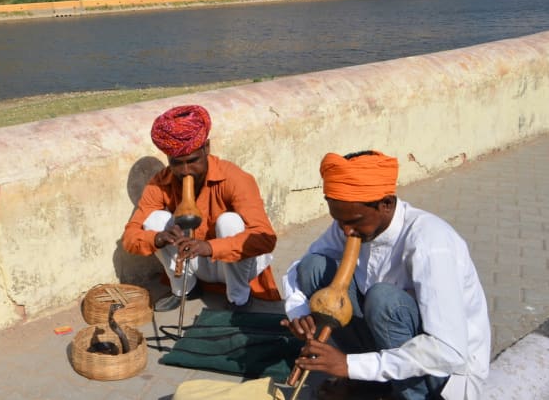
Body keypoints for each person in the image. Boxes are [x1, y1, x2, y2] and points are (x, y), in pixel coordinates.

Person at [281, 150, 490, 400]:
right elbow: (302, 266)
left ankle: (408, 395)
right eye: (338, 221)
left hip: (443, 374)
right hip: (386, 343)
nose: (346, 231)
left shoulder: (430, 242)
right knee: (313, 267)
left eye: (354, 221)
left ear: (386, 204)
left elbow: (448, 350)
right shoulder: (352, 224)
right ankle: (373, 385)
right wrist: (299, 311)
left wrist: (347, 365)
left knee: (383, 300)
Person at [122, 104, 279, 312]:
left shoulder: (234, 178)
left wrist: (211, 247)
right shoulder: (160, 182)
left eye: (193, 161)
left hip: (238, 265)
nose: (185, 171)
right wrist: (157, 238)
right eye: (177, 163)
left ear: (206, 148)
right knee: (154, 221)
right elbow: (130, 238)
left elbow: (266, 238)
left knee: (229, 222)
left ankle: (239, 298)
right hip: (197, 263)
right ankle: (184, 288)